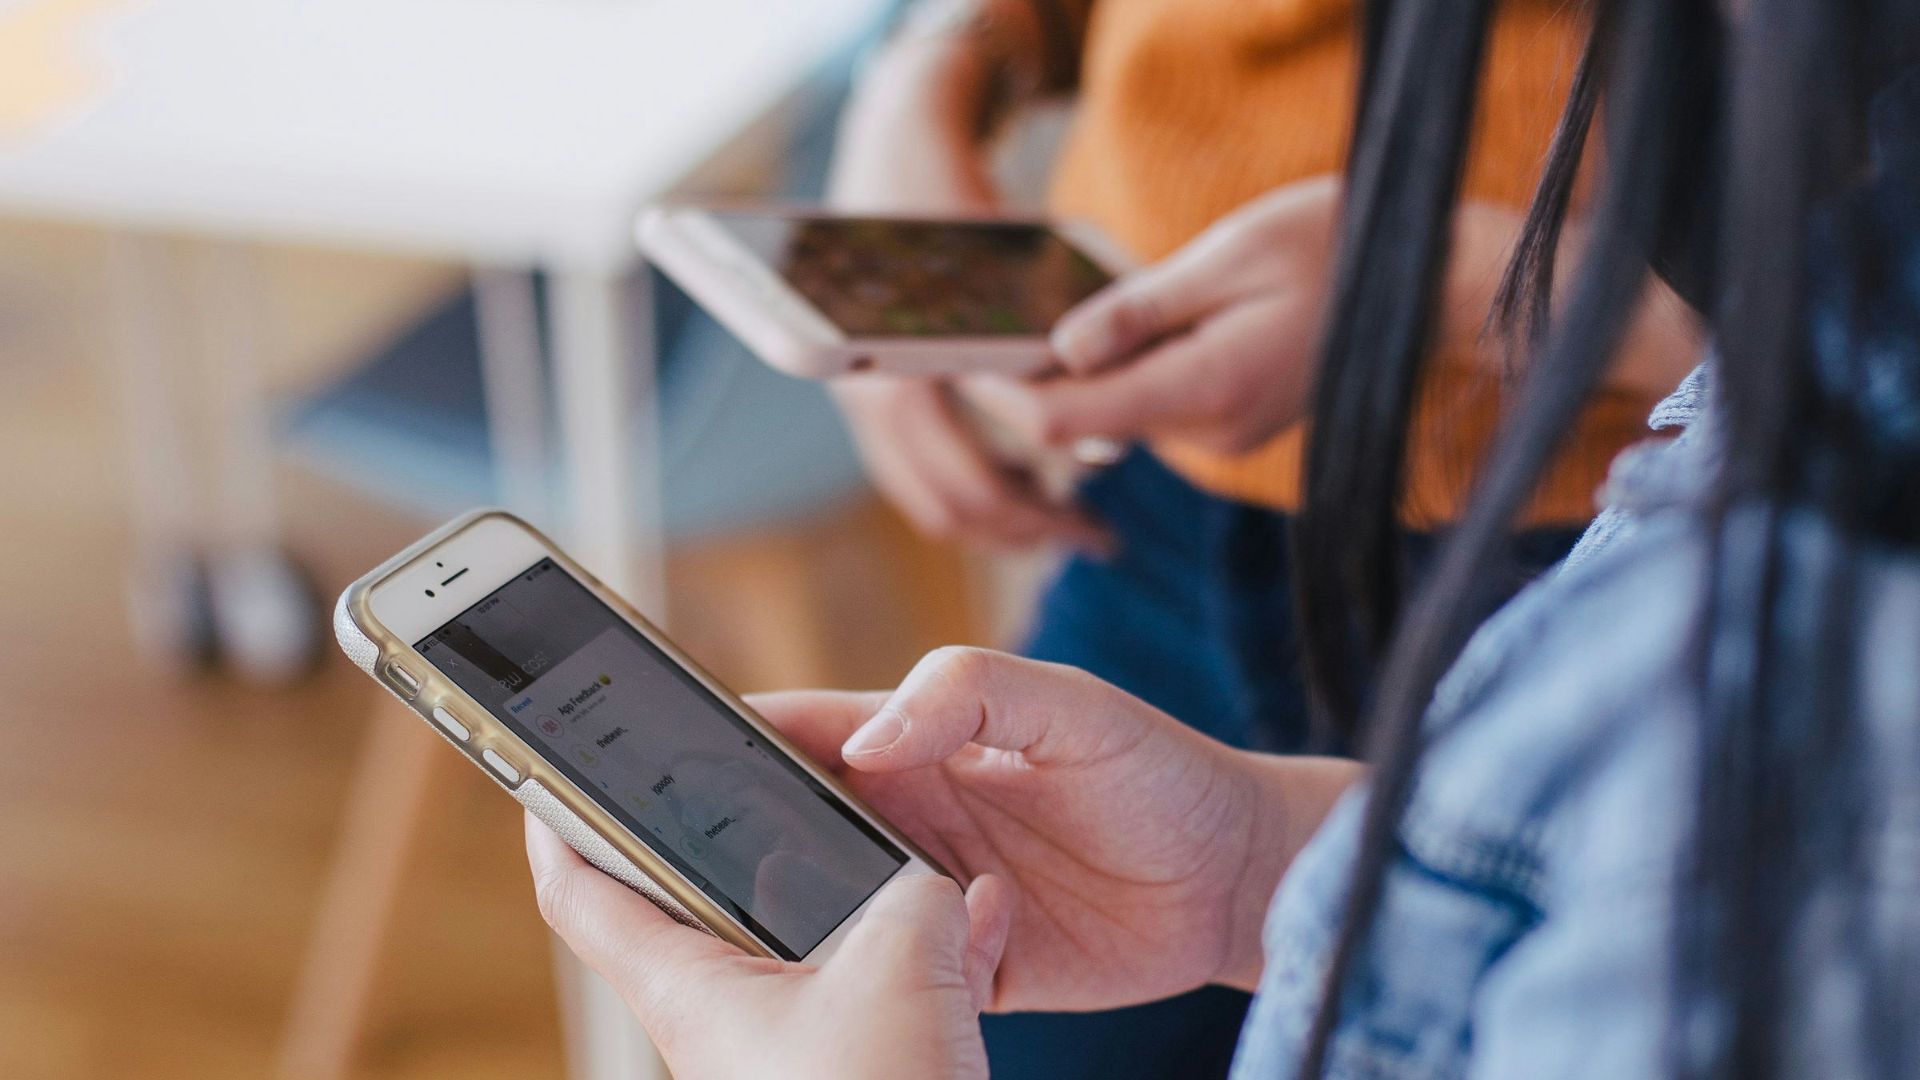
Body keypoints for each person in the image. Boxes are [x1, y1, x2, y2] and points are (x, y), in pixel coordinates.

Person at [525, 1, 1920, 1078]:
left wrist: (1461, 289)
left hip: (1567, 538)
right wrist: (1255, 863)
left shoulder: (1748, 757)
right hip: (1179, 528)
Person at [826, 3, 1701, 1071]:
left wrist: (1441, 280)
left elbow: (1855, 305)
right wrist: (932, 71)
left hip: (1613, 558)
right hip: (1166, 512)